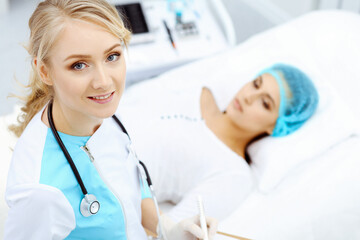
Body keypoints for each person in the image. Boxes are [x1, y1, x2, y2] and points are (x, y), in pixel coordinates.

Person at [4, 0, 217, 239]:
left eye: (112, 56)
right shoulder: (40, 191)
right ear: (44, 71)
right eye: (79, 65)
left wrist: (166, 228)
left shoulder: (103, 112)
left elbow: (129, 186)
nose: (104, 82)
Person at [118, 63, 319, 222]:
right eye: (256, 84)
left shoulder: (234, 174)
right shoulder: (201, 90)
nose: (249, 96)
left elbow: (170, 232)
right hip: (91, 126)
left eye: (265, 103)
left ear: (276, 126)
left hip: (104, 187)